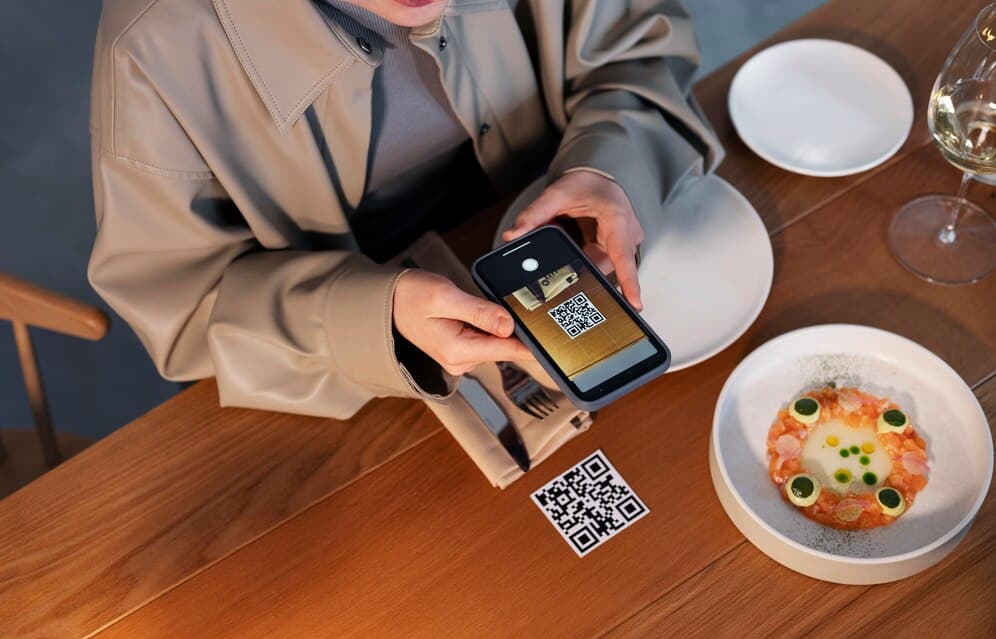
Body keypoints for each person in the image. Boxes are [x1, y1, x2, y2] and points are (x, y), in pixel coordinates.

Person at [88, 0, 722, 419]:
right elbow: (184, 307)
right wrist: (371, 320)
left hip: (553, 239)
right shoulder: (154, 51)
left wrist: (610, 164)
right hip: (349, 383)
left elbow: (637, 47)